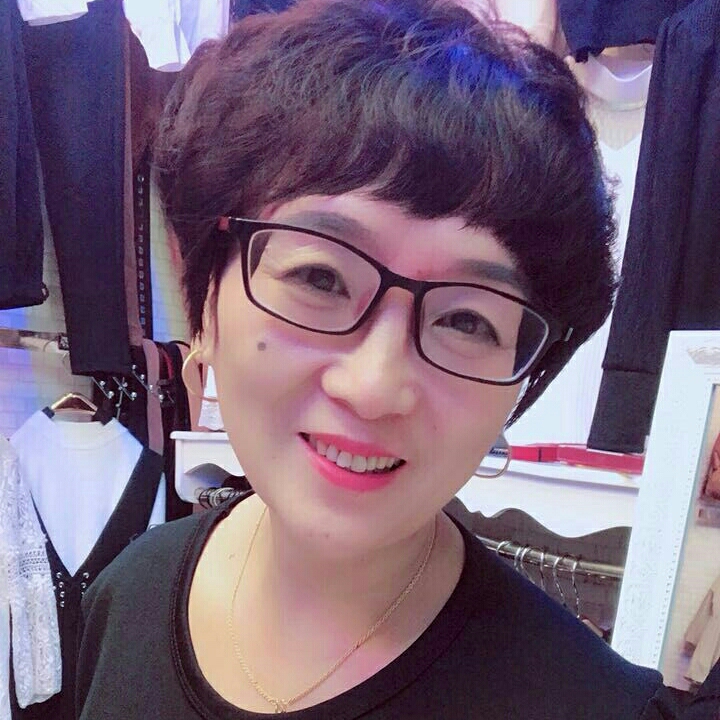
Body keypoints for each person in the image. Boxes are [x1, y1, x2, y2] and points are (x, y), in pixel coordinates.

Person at [74, 1, 691, 717]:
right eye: (319, 278)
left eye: (466, 320)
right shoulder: (129, 596)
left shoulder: (595, 707)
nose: (374, 386)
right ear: (205, 298)